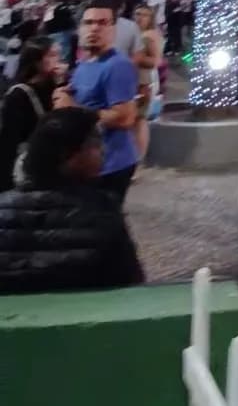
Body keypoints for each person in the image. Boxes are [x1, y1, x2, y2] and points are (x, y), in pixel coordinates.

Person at [0, 107, 143, 293]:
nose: (103, 150)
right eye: (95, 143)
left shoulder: (3, 208)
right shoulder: (103, 212)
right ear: (69, 155)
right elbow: (130, 282)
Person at [53, 0, 139, 202]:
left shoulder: (117, 66)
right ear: (79, 28)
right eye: (88, 23)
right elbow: (89, 97)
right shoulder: (85, 61)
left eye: (103, 23)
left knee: (99, 228)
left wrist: (72, 108)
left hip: (109, 165)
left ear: (113, 29)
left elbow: (125, 118)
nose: (95, 29)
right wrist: (67, 91)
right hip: (89, 163)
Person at [0, 36, 66, 191]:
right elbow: (8, 142)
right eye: (52, 55)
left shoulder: (57, 86)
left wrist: (61, 83)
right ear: (36, 61)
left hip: (54, 163)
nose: (59, 60)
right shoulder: (18, 95)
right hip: (29, 166)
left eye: (58, 54)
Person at [132, 4, 164, 160]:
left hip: (145, 80)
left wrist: (136, 58)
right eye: (137, 13)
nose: (139, 17)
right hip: (136, 79)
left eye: (144, 15)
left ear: (150, 18)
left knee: (140, 119)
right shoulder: (139, 33)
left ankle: (139, 158)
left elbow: (156, 61)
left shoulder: (150, 35)